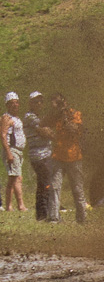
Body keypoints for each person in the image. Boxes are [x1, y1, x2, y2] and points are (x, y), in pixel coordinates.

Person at [43, 93, 86, 223]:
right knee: (55, 187)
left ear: (64, 102)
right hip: (58, 156)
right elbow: (41, 124)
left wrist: (64, 116)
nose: (56, 106)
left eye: (58, 103)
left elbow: (74, 130)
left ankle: (82, 218)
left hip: (74, 156)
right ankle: (54, 217)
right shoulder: (55, 116)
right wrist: (49, 132)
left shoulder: (74, 114)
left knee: (77, 189)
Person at [22, 91, 53, 220]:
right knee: (46, 182)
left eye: (41, 101)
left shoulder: (39, 117)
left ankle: (41, 213)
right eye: (36, 101)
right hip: (39, 155)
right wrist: (49, 133)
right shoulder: (30, 116)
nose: (39, 103)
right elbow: (44, 132)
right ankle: (45, 211)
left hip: (45, 153)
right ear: (30, 103)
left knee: (42, 183)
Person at [2, 92, 27, 212]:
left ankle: (14, 206)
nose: (15, 105)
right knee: (14, 178)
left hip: (19, 151)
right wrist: (8, 153)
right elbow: (3, 135)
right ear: (7, 105)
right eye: (12, 103)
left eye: (16, 103)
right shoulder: (6, 117)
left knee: (16, 178)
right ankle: (16, 205)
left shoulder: (17, 118)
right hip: (12, 150)